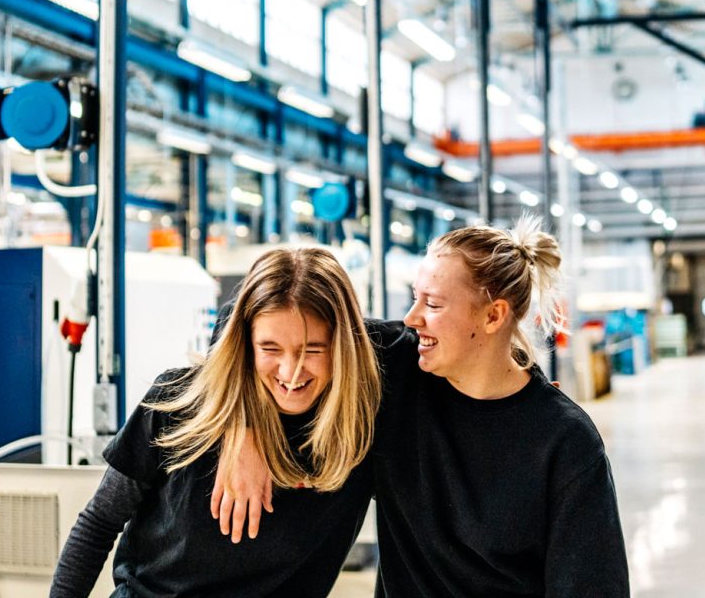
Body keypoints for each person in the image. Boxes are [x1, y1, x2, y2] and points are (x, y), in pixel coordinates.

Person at [217, 215, 631, 597]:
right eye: (415, 298)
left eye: (433, 304)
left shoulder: (564, 442)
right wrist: (244, 428)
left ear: (493, 316)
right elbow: (239, 323)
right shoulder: (395, 366)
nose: (412, 317)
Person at [49, 247, 383, 598]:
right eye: (270, 349)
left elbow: (399, 335)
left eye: (313, 349)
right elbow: (99, 522)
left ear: (343, 345)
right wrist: (243, 422)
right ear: (246, 343)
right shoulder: (179, 401)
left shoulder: (362, 428)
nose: (291, 371)